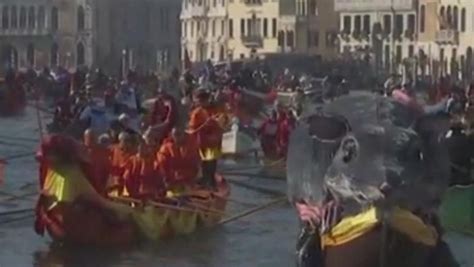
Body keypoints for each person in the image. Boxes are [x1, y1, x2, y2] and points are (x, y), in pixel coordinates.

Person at [188, 90, 224, 188]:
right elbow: (192, 129)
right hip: (201, 142)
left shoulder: (215, 110)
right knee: (204, 165)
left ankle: (210, 184)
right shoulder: (197, 113)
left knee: (211, 165)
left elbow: (222, 124)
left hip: (213, 142)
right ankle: (205, 182)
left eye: (202, 100)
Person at [156, 127, 201, 195]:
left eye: (179, 134)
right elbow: (162, 166)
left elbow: (196, 161)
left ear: (184, 134)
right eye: (175, 135)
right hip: (173, 182)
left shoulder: (192, 145)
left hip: (188, 181)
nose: (177, 137)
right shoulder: (165, 148)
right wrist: (166, 180)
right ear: (172, 135)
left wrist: (195, 177)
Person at [83, 129, 111, 195]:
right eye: (90, 138)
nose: (92, 140)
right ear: (85, 138)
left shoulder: (101, 152)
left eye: (93, 138)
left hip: (98, 188)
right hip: (84, 187)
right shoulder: (80, 151)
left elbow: (107, 170)